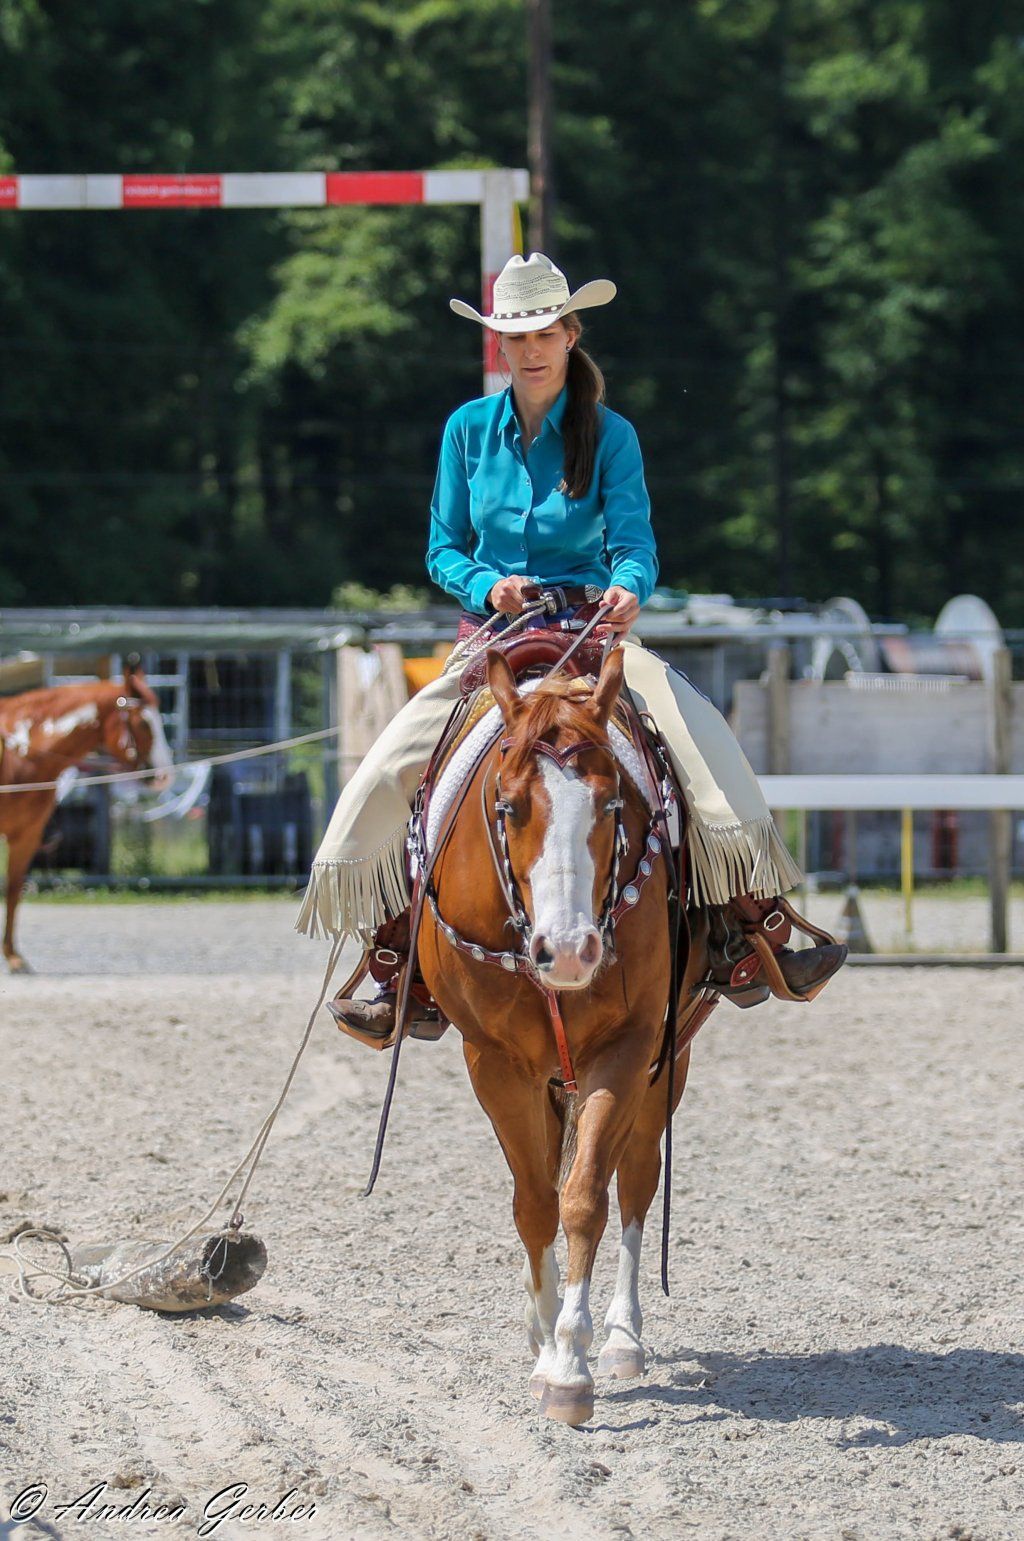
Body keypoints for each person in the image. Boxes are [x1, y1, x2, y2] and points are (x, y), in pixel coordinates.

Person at [300, 252, 846, 1037]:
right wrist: (488, 586)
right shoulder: (465, 431)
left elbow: (636, 541)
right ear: (498, 344)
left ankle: (753, 922)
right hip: (498, 638)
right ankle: (396, 958)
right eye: (515, 334)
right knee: (395, 767)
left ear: (569, 333)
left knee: (699, 742)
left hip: (592, 629)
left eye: (544, 331)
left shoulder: (611, 434)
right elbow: (441, 548)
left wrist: (630, 584)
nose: (530, 347)